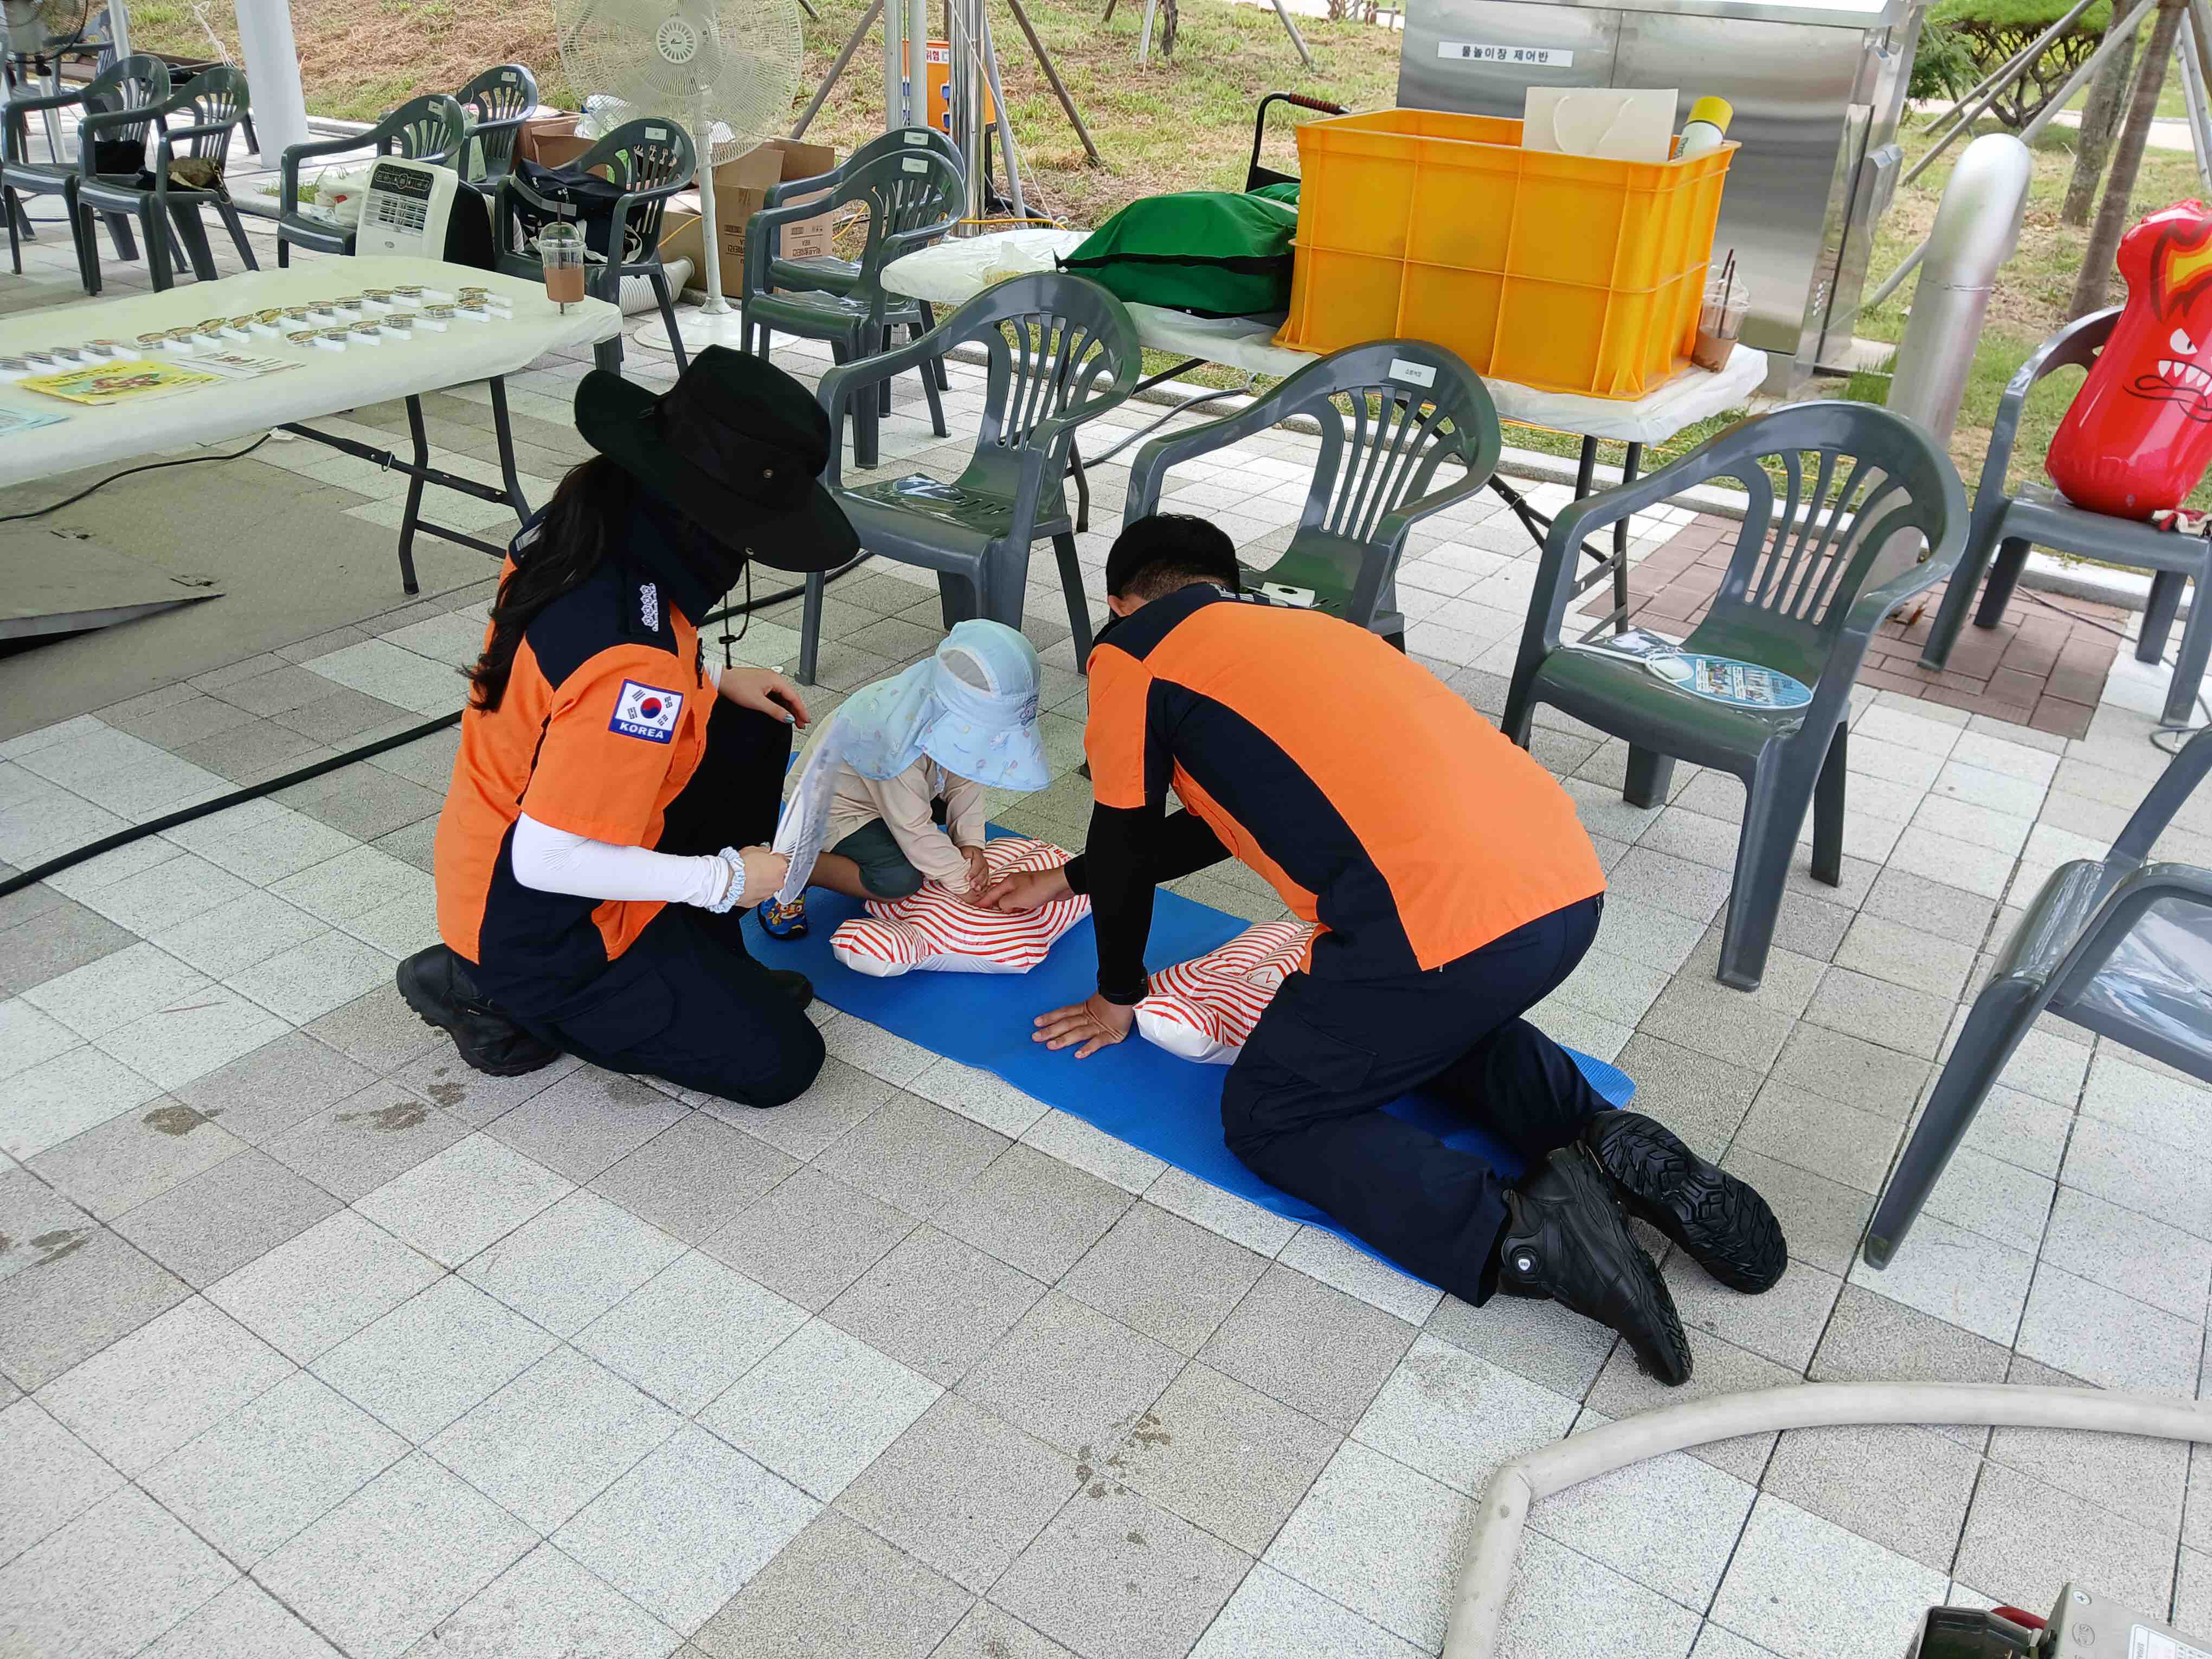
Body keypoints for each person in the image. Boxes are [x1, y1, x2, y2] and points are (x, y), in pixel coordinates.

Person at [986, 515, 1787, 1385]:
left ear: (1120, 602)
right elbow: (1228, 817)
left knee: (1272, 1113)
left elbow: (1128, 833)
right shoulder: (1308, 631)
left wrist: (1118, 993)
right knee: (1435, 1026)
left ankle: (1529, 1235)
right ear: (1227, 586)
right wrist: (1069, 878)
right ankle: (1604, 1135)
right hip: (1563, 894)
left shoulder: (1133, 653)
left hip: (1433, 932)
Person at [399, 347, 857, 1109]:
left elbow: (573, 684)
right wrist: (725, 879)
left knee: (748, 728)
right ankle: (484, 994)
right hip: (539, 925)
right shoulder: (632, 666)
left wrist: (711, 681)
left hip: (500, 845)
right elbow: (549, 856)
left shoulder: (592, 518)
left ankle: (706, 963)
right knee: (784, 1063)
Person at [757, 619, 1050, 937]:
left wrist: (971, 844)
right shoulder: (893, 739)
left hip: (885, 793)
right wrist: (961, 880)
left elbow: (966, 775)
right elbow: (912, 826)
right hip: (832, 807)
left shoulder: (939, 704)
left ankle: (866, 850)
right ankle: (788, 867)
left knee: (936, 829)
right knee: (898, 880)